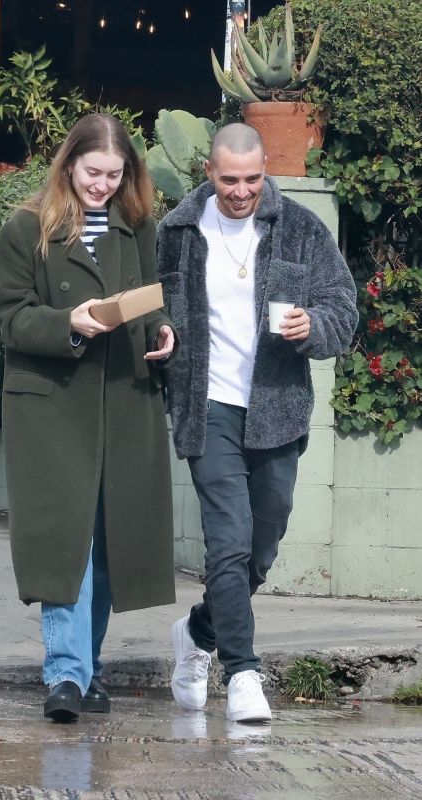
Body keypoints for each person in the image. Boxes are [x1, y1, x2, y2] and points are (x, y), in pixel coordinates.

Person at [157, 123, 358, 723]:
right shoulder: (177, 232)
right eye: (229, 180)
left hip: (276, 409)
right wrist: (160, 335)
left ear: (264, 171)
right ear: (208, 173)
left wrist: (312, 327)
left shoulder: (300, 229)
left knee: (261, 548)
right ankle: (243, 673)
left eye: (252, 179)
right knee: (228, 541)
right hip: (206, 405)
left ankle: (196, 633)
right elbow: (150, 305)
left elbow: (343, 309)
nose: (241, 192)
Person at [0, 113, 177, 723]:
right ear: (68, 164)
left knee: (108, 537)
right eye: (92, 171)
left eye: (113, 174)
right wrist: (68, 321)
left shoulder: (138, 225)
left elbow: (150, 296)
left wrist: (163, 331)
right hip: (51, 408)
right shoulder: (26, 228)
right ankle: (65, 676)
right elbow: (12, 317)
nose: (101, 184)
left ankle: (85, 669)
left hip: (123, 401)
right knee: (68, 540)